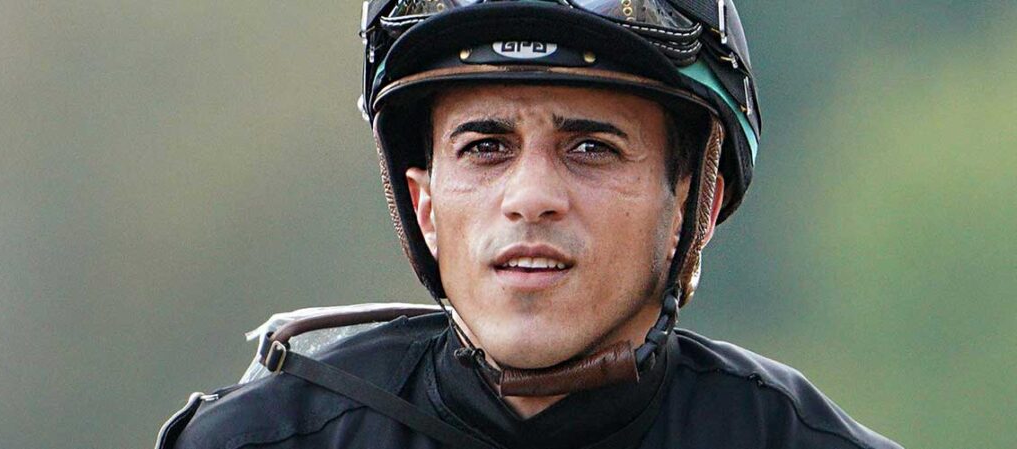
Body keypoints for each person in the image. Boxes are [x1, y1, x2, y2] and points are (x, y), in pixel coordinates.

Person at [158, 1, 902, 448]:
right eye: (486, 148)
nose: (531, 197)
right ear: (424, 206)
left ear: (694, 208)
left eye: (591, 148)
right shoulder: (255, 442)